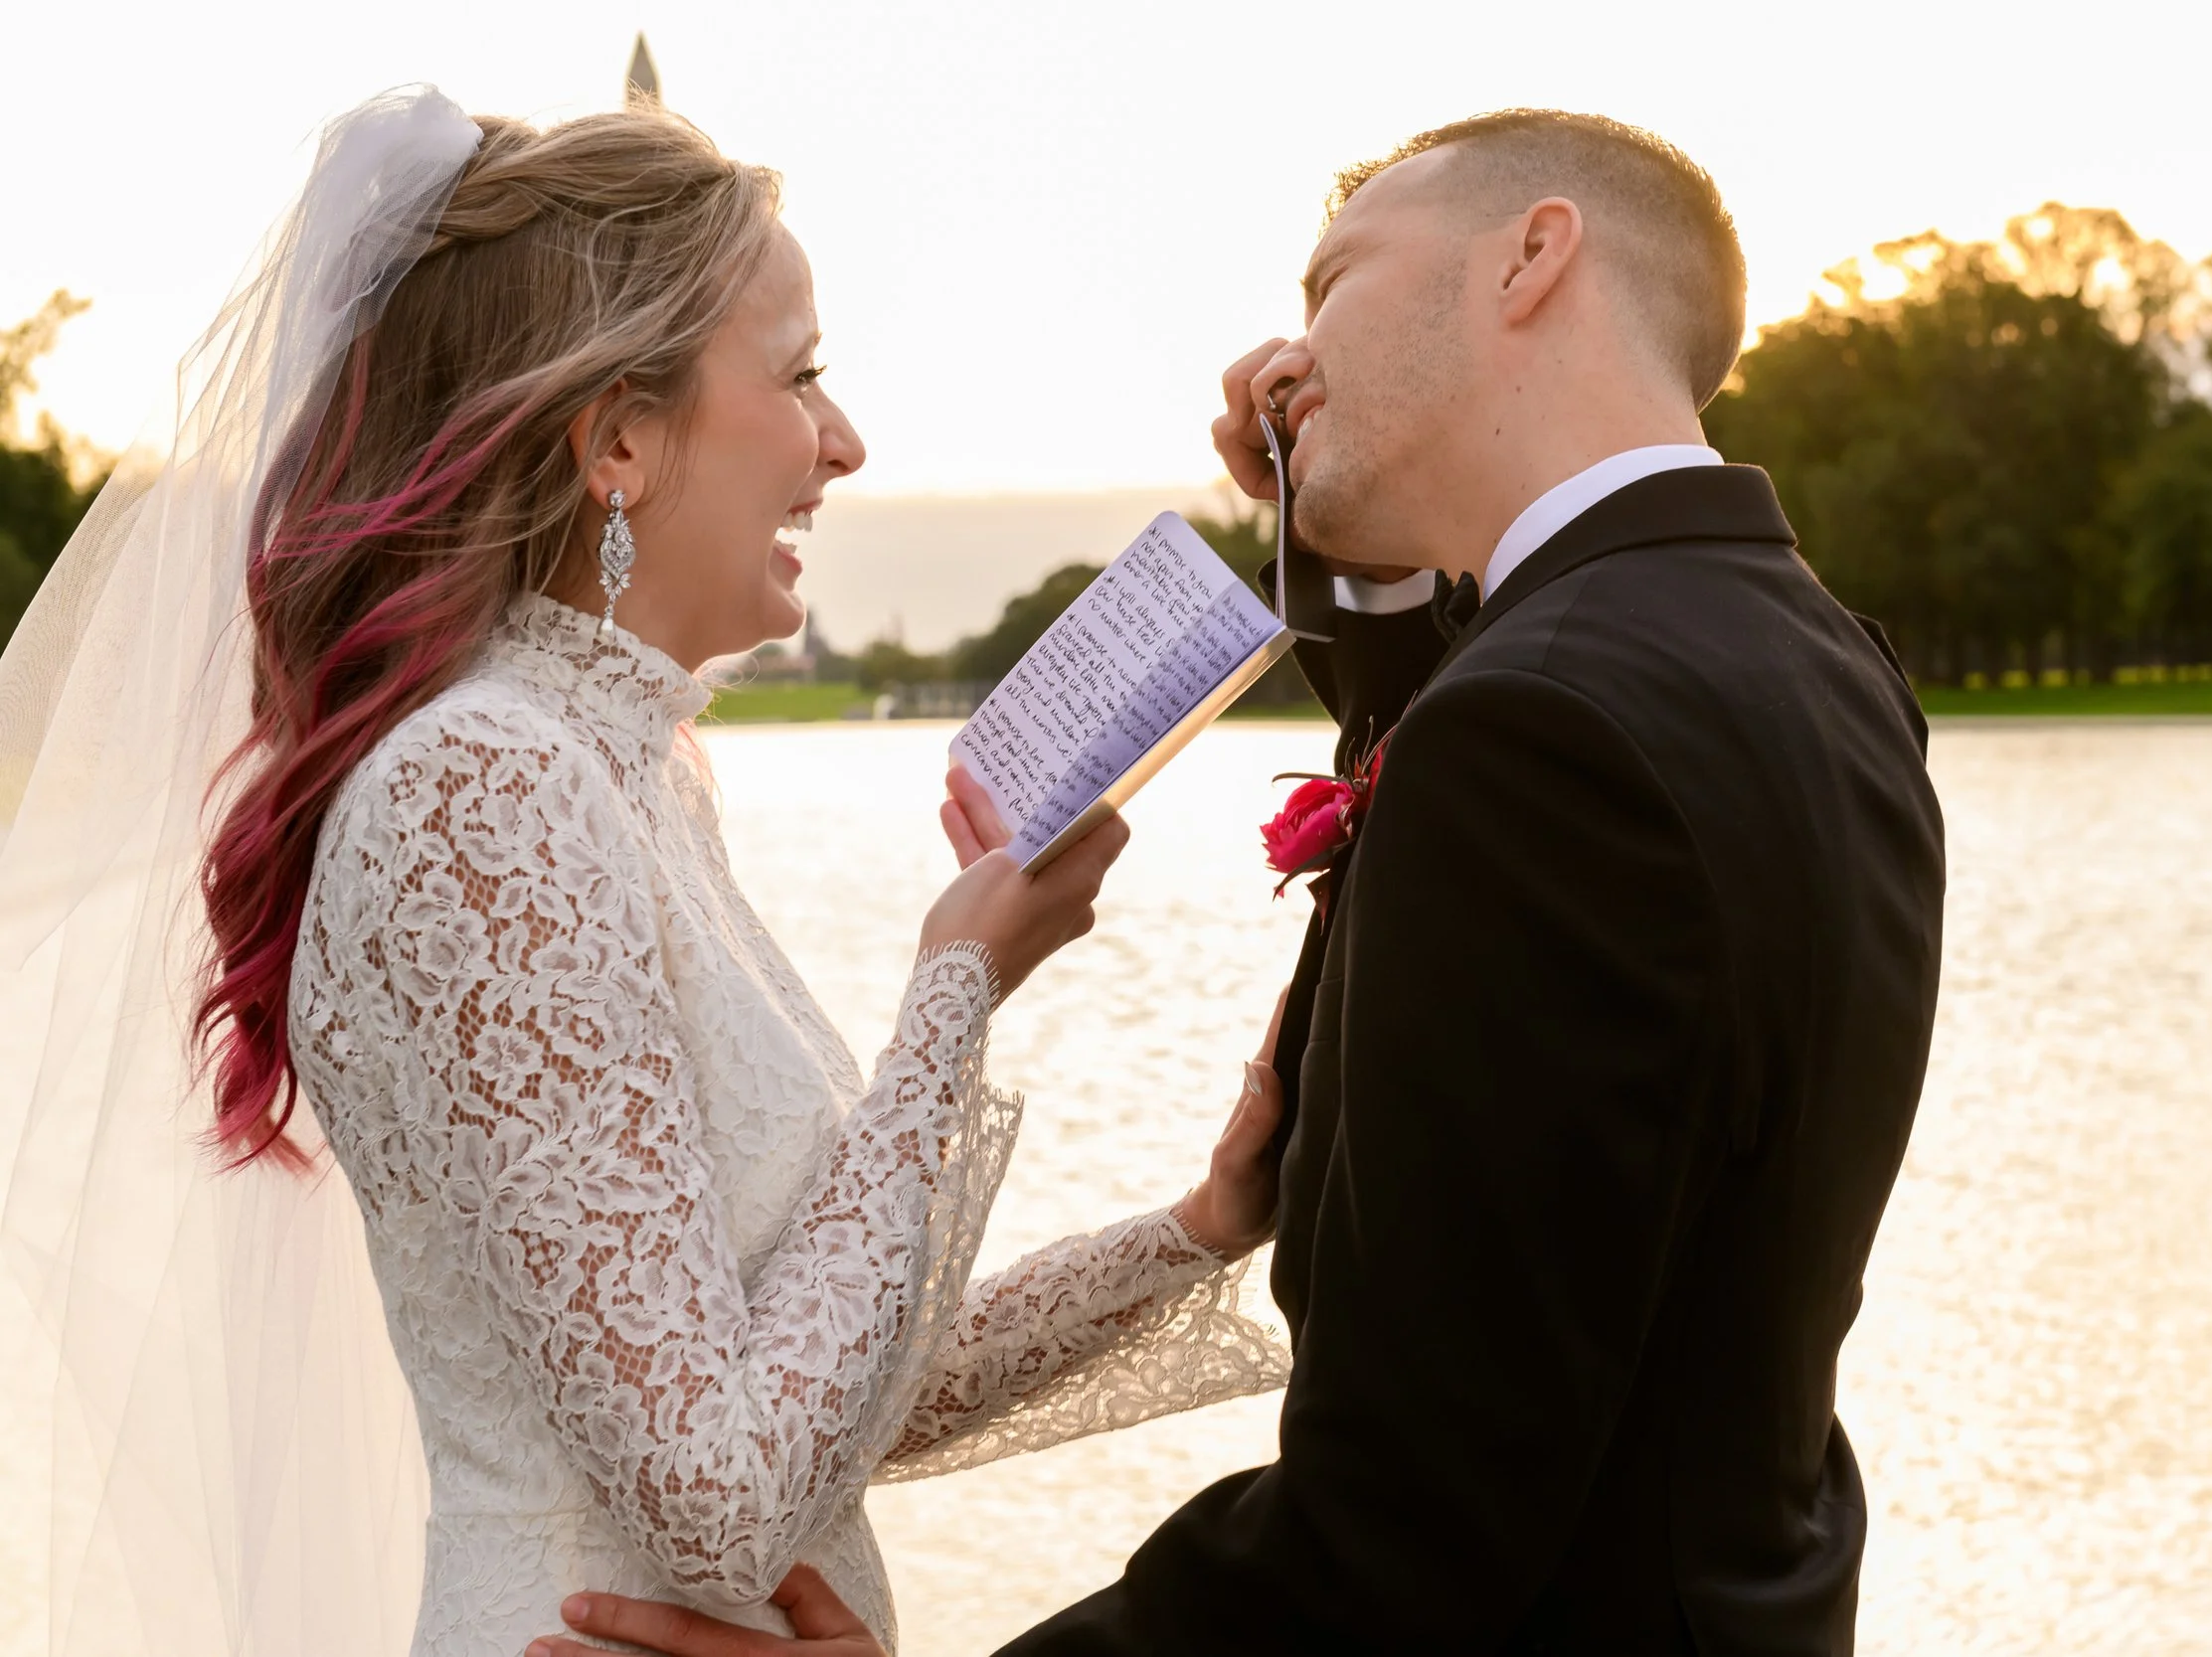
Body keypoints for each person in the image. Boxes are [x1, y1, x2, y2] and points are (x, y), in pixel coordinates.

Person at [545, 107, 1948, 1657]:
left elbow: (1409, 1524)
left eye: (1332, 280)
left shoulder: (1537, 735)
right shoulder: (1818, 659)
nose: (1289, 354)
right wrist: (1350, 542)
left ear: (1532, 258)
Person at [0, 89, 1293, 1656]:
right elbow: (717, 1497)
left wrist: (1204, 1219)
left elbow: (835, 1387)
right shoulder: (483, 784)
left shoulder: (629, 773)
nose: (844, 441)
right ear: (618, 440)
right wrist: (956, 989)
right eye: (800, 374)